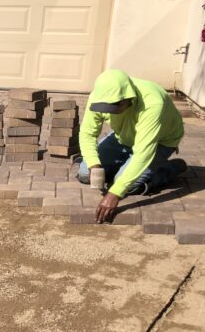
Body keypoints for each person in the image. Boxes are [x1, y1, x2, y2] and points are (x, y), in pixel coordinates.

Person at [77, 69, 186, 223]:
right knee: (84, 173)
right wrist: (94, 165)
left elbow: (143, 154)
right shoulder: (99, 96)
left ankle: (169, 168)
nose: (110, 113)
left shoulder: (153, 102)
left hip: (158, 142)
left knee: (127, 186)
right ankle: (122, 168)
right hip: (122, 137)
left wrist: (115, 194)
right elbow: (87, 134)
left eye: (113, 109)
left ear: (127, 99)